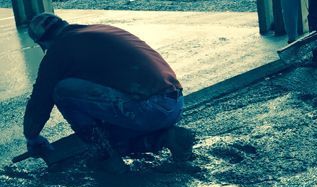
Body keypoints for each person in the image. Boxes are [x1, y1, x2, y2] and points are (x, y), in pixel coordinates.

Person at [24, 13, 194, 171]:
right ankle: (167, 137)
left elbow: (41, 98)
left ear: (42, 43)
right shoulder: (100, 31)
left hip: (147, 109)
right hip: (174, 104)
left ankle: (104, 155)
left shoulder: (57, 51)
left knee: (62, 90)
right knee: (110, 134)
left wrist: (32, 136)